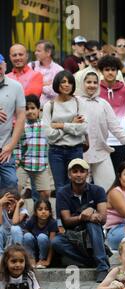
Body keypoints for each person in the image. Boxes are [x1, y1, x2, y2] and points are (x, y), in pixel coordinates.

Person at [51, 158, 110, 283]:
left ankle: (102, 267)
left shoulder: (98, 190)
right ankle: (93, 260)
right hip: (73, 234)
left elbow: (103, 219)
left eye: (82, 171)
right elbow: (66, 221)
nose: (78, 174)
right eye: (75, 171)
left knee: (92, 222)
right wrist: (82, 217)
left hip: (92, 234)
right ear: (69, 174)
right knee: (56, 242)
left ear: (88, 174)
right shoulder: (62, 193)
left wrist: (93, 214)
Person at [79, 71, 125, 190]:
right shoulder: (75, 102)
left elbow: (115, 127)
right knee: (80, 189)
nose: (92, 85)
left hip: (101, 150)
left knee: (109, 187)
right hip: (80, 152)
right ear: (82, 83)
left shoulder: (103, 104)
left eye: (95, 82)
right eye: (88, 82)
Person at [42, 70, 88, 195]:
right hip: (56, 151)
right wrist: (72, 124)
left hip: (75, 149)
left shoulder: (79, 103)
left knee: (76, 186)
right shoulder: (49, 105)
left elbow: (83, 129)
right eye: (63, 82)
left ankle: (75, 214)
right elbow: (49, 134)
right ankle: (61, 215)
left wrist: (60, 125)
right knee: (60, 187)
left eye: (69, 82)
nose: (67, 85)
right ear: (57, 84)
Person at [96, 55, 125, 174]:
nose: (110, 72)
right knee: (102, 176)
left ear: (117, 71)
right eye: (107, 69)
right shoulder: (95, 89)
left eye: (113, 69)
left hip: (120, 140)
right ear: (101, 71)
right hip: (100, 141)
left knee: (119, 175)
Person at [15, 94, 51, 200]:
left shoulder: (44, 125)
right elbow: (16, 144)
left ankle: (39, 214)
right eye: (26, 109)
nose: (30, 111)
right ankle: (20, 212)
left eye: (33, 108)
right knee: (15, 189)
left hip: (41, 165)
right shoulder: (20, 126)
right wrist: (17, 160)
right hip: (23, 164)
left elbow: (55, 128)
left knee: (46, 193)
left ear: (39, 109)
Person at [0, 53, 26, 189]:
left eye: (0, 65)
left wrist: (11, 145)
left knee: (11, 183)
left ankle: (10, 211)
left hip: (5, 147)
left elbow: (21, 116)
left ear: (5, 65)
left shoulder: (16, 86)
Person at [23, 198, 58, 268]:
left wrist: (48, 261)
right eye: (40, 209)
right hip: (34, 250)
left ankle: (42, 260)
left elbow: (52, 244)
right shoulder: (32, 221)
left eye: (46, 209)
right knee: (27, 236)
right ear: (35, 212)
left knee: (42, 237)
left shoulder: (52, 223)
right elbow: (26, 239)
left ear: (50, 212)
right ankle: (31, 259)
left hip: (46, 251)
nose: (43, 212)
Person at [29, 40, 64, 106]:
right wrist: (45, 84)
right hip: (32, 109)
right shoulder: (31, 66)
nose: (35, 53)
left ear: (48, 53)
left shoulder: (59, 70)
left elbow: (56, 91)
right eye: (36, 51)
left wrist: (36, 85)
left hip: (51, 109)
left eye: (38, 51)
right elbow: (26, 85)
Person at [0, 188, 28, 256]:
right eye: (7, 203)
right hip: (6, 238)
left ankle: (18, 253)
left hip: (18, 238)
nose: (9, 205)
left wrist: (18, 205)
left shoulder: (23, 211)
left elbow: (15, 222)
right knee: (1, 228)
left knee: (14, 228)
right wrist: (0, 204)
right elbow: (0, 223)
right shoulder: (2, 210)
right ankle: (0, 255)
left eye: (12, 202)